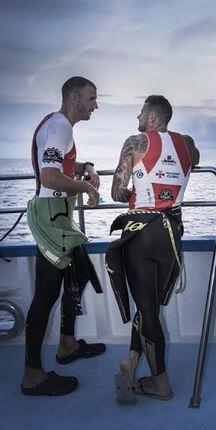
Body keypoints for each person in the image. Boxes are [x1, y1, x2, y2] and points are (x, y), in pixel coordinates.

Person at [106, 95, 199, 403]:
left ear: (152, 117)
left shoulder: (135, 142)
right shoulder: (188, 144)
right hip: (171, 234)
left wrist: (133, 187)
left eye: (141, 112)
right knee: (152, 309)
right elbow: (193, 163)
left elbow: (117, 193)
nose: (137, 116)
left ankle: (160, 383)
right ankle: (133, 359)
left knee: (146, 310)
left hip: (143, 234)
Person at [21, 76, 106, 396]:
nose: (95, 105)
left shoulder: (58, 127)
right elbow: (50, 175)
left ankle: (67, 344)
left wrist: (87, 166)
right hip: (51, 214)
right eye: (91, 98)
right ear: (74, 99)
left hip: (58, 213)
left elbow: (60, 163)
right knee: (46, 293)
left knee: (81, 273)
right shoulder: (60, 126)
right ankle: (32, 374)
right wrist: (87, 187)